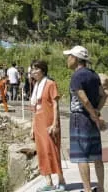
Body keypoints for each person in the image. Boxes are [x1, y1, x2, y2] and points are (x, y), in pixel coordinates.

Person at [63, 45, 108, 192]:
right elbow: (103, 95)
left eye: (69, 56)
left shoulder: (77, 76)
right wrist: (96, 112)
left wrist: (93, 114)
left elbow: (84, 99)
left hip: (80, 119)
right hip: (92, 120)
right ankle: (101, 188)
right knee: (96, 156)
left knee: (82, 156)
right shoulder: (93, 74)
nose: (67, 59)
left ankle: (87, 189)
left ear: (75, 59)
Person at [30, 60, 66, 192]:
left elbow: (55, 104)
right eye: (32, 69)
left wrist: (54, 123)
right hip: (38, 121)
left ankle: (61, 180)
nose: (33, 71)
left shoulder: (50, 84)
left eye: (36, 69)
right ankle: (48, 181)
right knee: (42, 151)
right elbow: (34, 108)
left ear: (43, 70)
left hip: (49, 120)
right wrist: (32, 127)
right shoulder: (36, 85)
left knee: (53, 150)